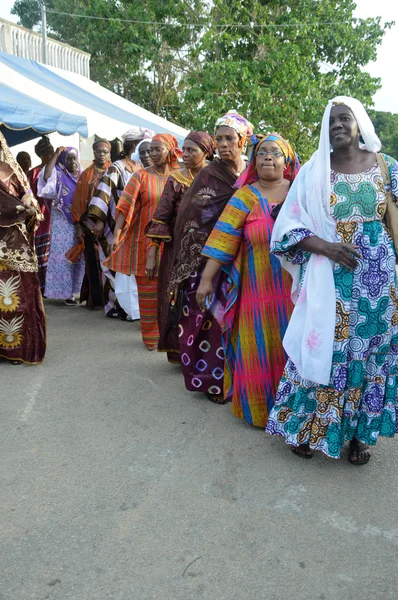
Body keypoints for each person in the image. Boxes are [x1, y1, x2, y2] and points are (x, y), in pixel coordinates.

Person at [265, 96, 398, 465]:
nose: (337, 125)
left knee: (371, 357)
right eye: (331, 121)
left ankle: (359, 436)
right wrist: (325, 247)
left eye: (345, 119)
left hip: (381, 284)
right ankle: (305, 429)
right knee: (322, 351)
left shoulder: (386, 167)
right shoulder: (314, 171)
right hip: (331, 281)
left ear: (360, 125)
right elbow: (287, 228)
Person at [198, 133, 300, 426]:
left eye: (275, 152)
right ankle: (260, 411)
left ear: (287, 160)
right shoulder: (244, 196)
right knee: (257, 349)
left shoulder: (300, 194)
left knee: (294, 348)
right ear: (254, 161)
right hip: (256, 292)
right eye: (262, 152)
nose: (268, 157)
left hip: (297, 292)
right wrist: (207, 280)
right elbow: (223, 241)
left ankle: (294, 413)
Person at [169, 110, 253, 404]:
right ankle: (211, 381)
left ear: (244, 140)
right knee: (209, 320)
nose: (223, 144)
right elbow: (192, 217)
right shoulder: (209, 174)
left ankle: (241, 378)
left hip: (246, 255)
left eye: (229, 138)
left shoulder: (252, 172)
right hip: (209, 259)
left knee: (241, 318)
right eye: (218, 139)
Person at [105, 134, 182, 350]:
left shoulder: (181, 176)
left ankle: (170, 336)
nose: (152, 154)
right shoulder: (140, 176)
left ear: (171, 150)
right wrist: (118, 233)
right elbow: (125, 205)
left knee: (170, 290)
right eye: (149, 151)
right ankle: (151, 337)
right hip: (145, 242)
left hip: (172, 242)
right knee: (148, 291)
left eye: (158, 149)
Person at [145, 132, 215, 363]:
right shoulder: (176, 179)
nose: (184, 155)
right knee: (173, 297)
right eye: (183, 149)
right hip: (176, 250)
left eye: (191, 150)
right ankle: (178, 351)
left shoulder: (216, 178)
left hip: (207, 251)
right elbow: (162, 216)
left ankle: (203, 351)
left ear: (206, 153)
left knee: (203, 299)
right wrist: (152, 253)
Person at [87, 127, 153, 318]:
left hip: (139, 225)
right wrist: (98, 220)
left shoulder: (144, 169)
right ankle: (117, 306)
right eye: (143, 149)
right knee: (116, 265)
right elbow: (104, 193)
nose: (148, 153)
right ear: (133, 146)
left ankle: (139, 308)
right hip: (117, 223)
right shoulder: (117, 167)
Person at [0, 131, 46, 365]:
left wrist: (28, 208)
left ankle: (16, 349)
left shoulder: (11, 170)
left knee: (15, 296)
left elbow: (29, 199)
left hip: (12, 243)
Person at [37, 146, 84, 305]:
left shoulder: (82, 175)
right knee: (64, 256)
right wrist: (56, 155)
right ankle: (66, 294)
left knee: (78, 255)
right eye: (68, 158)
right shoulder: (58, 173)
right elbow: (46, 175)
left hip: (80, 221)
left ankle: (77, 290)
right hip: (61, 221)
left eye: (74, 158)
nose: (72, 161)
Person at [71, 139, 111, 309]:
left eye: (105, 152)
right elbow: (79, 200)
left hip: (110, 224)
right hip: (88, 224)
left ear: (109, 153)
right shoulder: (86, 174)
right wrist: (79, 225)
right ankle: (96, 299)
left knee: (110, 261)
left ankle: (113, 300)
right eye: (98, 151)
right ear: (93, 153)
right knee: (92, 261)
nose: (101, 155)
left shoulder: (115, 170)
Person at [28, 136, 55, 293]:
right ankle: (42, 287)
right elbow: (28, 196)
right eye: (50, 152)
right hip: (41, 218)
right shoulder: (35, 173)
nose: (52, 155)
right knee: (41, 255)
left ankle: (51, 287)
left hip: (55, 218)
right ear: (43, 155)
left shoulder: (56, 171)